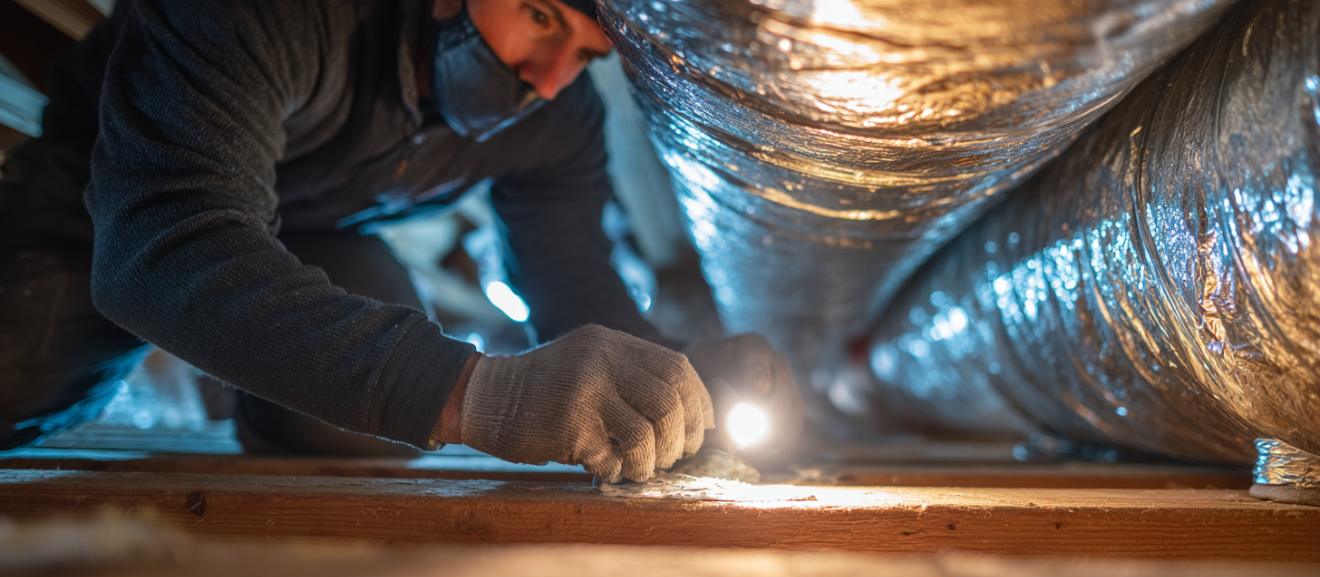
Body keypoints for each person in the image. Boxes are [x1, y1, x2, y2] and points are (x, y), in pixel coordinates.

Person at [0, 0, 803, 481]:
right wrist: (474, 394)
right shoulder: (277, 13)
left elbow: (573, 283)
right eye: (539, 16)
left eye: (585, 56)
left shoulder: (556, 119)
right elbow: (165, 242)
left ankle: (251, 379)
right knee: (17, 377)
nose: (550, 77)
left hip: (311, 229)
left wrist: (677, 379)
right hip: (112, 192)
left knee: (353, 423)